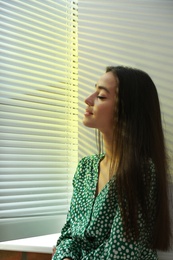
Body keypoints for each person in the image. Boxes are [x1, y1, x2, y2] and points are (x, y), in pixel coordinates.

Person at [52, 66, 171, 260]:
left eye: (101, 96)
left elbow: (120, 253)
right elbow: (68, 234)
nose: (88, 99)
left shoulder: (141, 171)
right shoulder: (86, 168)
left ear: (127, 110)